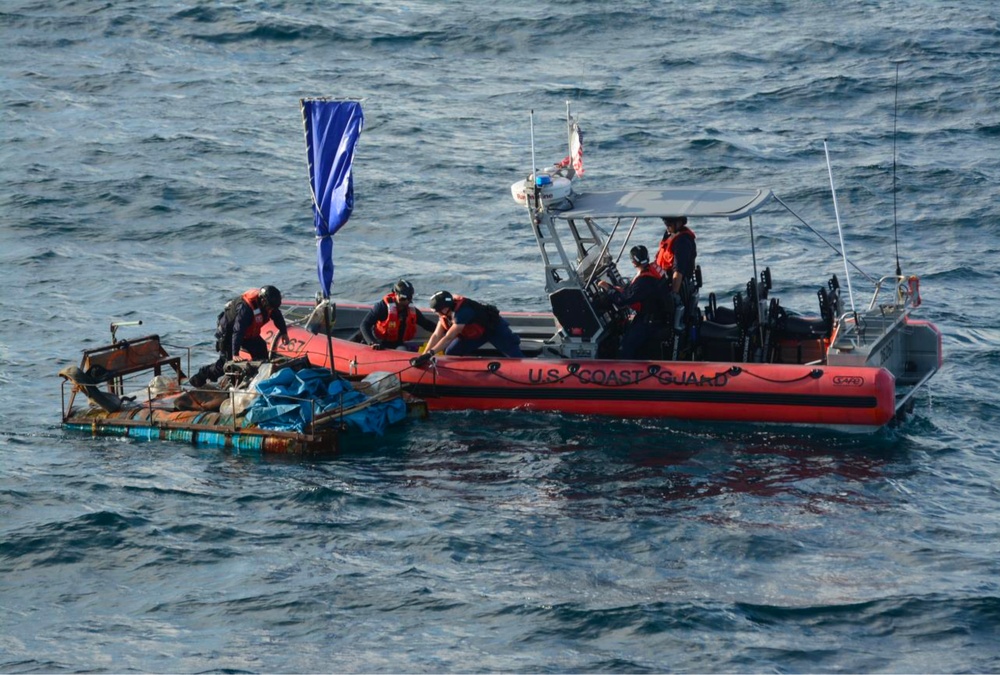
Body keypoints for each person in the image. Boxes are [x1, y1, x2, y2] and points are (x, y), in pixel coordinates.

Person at [189, 285, 289, 388]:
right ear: (263, 300)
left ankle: (257, 380)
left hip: (248, 334)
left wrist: (284, 332)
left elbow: (277, 316)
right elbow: (238, 330)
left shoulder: (269, 306)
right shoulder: (246, 308)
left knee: (261, 351)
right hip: (229, 333)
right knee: (224, 364)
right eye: (269, 306)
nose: (270, 309)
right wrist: (235, 353)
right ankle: (198, 379)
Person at [597, 245, 671, 359]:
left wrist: (608, 289)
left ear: (633, 262)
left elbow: (621, 301)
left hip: (650, 322)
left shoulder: (644, 281)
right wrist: (618, 290)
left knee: (625, 348)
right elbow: (633, 292)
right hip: (658, 315)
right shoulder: (653, 270)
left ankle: (624, 371)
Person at [422, 290, 524, 358]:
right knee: (451, 353)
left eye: (439, 311)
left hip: (494, 330)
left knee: (515, 356)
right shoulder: (444, 313)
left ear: (446, 307)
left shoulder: (463, 312)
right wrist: (424, 354)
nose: (438, 314)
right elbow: (436, 335)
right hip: (473, 334)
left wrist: (431, 353)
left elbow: (448, 337)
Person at [359, 279, 436, 350]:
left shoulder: (411, 310)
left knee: (403, 350)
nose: (406, 301)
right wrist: (372, 342)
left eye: (409, 298)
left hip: (396, 344)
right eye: (403, 298)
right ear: (395, 294)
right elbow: (365, 324)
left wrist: (444, 330)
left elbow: (426, 324)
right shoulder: (382, 307)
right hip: (378, 342)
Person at [656, 216, 698, 330]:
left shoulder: (683, 241)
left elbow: (678, 271)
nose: (667, 227)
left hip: (674, 285)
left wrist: (673, 295)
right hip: (661, 279)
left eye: (669, 224)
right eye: (666, 224)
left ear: (679, 223)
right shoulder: (670, 234)